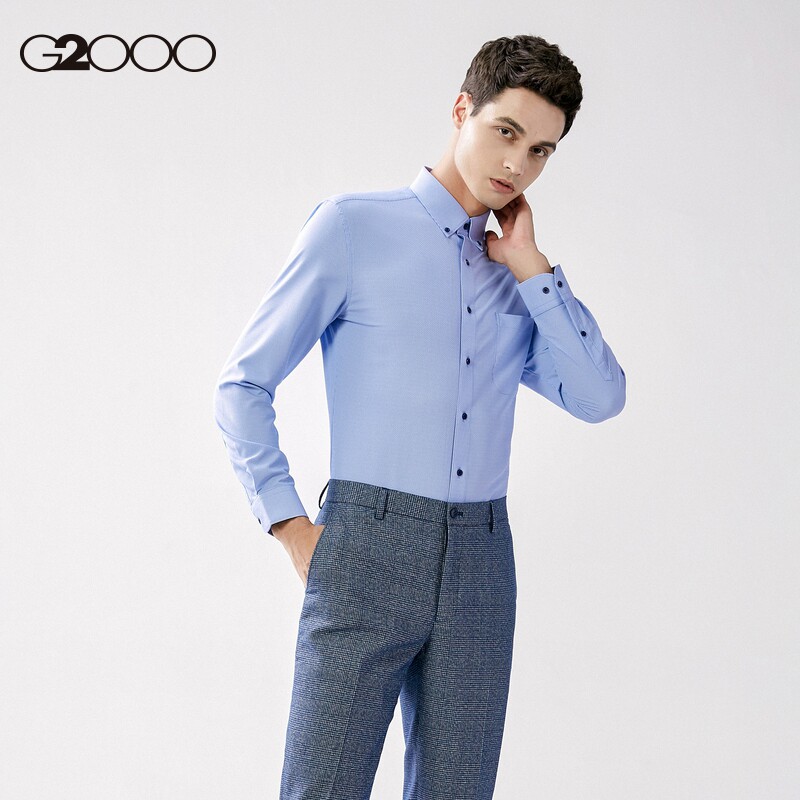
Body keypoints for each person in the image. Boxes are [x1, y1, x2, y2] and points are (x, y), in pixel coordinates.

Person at [213, 32, 625, 800]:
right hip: (366, 547)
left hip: (483, 560)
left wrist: (533, 270)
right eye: (507, 132)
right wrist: (290, 526)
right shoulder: (353, 227)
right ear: (462, 109)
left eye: (540, 151)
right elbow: (242, 385)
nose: (518, 164)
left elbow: (600, 397)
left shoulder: (514, 278)